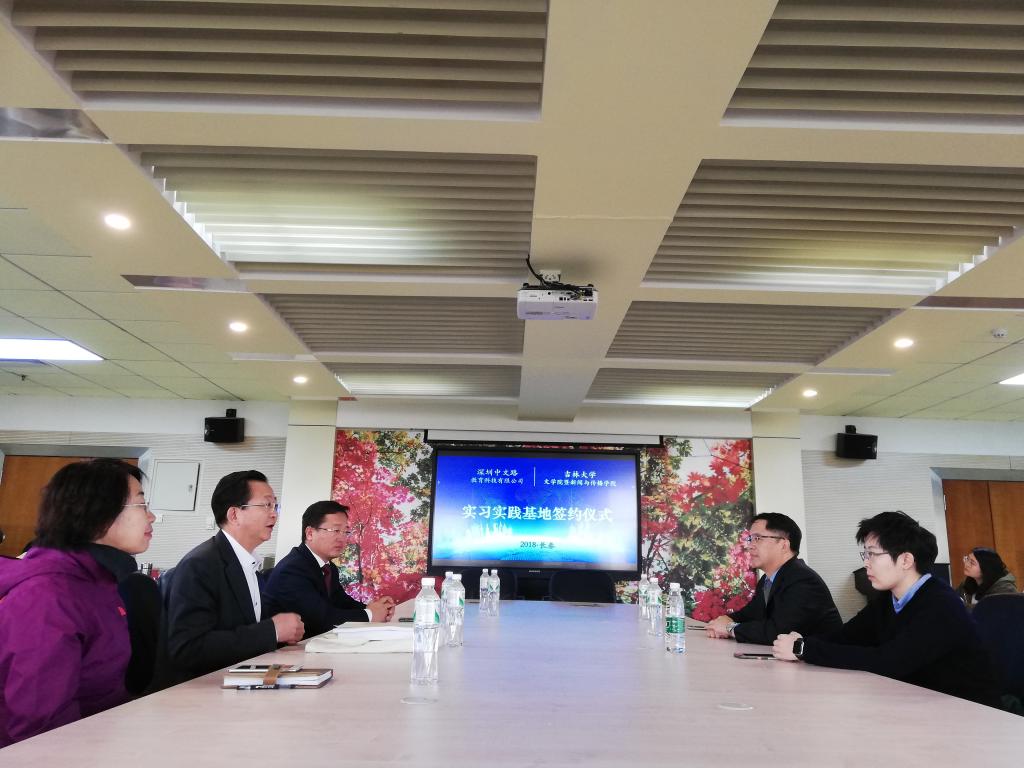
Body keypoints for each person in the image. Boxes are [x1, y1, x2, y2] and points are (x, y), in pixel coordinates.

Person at [0, 459, 156, 747]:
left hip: (97, 744)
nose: (152, 516)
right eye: (142, 504)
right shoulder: (47, 596)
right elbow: (40, 730)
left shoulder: (96, 582)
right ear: (98, 512)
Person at [772, 511, 1000, 708]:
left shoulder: (941, 604)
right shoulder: (887, 599)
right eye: (865, 554)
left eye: (872, 554)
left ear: (906, 560)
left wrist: (804, 648)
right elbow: (845, 637)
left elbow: (888, 662)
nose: (866, 562)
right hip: (916, 703)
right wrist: (802, 642)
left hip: (967, 712)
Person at [165, 470, 303, 683]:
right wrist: (272, 631)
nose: (274, 514)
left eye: (275, 506)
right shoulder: (200, 565)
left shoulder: (249, 564)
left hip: (244, 681)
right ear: (234, 515)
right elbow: (188, 648)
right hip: (205, 690)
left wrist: (282, 633)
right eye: (266, 505)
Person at [705, 513, 841, 644]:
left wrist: (729, 628)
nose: (750, 546)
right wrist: (723, 620)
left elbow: (779, 631)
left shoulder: (803, 580)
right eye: (750, 539)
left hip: (823, 659)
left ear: (783, 545)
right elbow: (750, 614)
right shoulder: (767, 580)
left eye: (758, 538)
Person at [265, 500, 395, 637]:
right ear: (310, 533)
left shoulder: (328, 567)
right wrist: (370, 615)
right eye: (336, 530)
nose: (342, 538)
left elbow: (342, 602)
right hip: (285, 649)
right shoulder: (292, 570)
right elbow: (321, 619)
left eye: (346, 532)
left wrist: (376, 608)